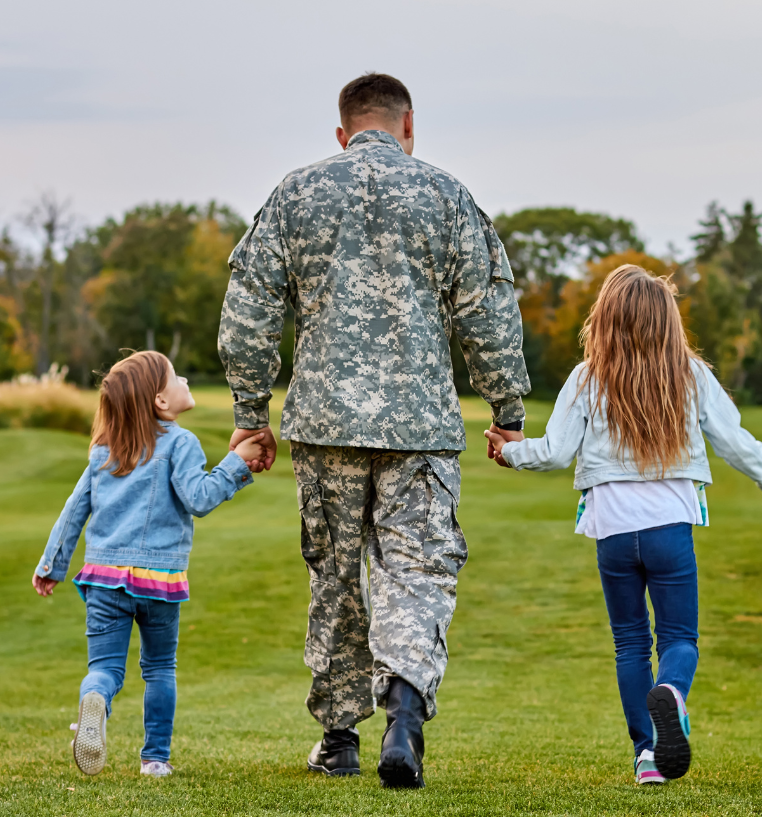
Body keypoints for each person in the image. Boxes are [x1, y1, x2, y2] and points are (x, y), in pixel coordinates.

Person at [218, 73, 530, 788]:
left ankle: (339, 736)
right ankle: (404, 708)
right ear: (408, 124)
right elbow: (489, 310)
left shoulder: (296, 193)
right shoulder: (447, 196)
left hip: (324, 423)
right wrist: (506, 411)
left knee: (336, 575)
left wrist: (249, 416)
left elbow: (251, 305)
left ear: (343, 130)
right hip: (420, 423)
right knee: (416, 568)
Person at [484, 265, 762, 785]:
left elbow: (556, 452)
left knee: (630, 642)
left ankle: (647, 756)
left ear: (603, 319)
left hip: (611, 529)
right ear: (668, 322)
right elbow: (733, 438)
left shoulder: (586, 378)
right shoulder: (691, 375)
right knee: (679, 639)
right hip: (670, 524)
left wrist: (511, 454)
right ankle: (670, 693)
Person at [31, 351, 264, 778]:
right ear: (160, 401)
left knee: (103, 669)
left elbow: (73, 510)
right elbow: (199, 498)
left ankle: (96, 701)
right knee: (159, 669)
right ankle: (155, 759)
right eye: (177, 377)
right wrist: (236, 464)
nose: (186, 379)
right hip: (159, 581)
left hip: (103, 579)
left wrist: (51, 564)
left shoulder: (105, 449)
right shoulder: (181, 442)